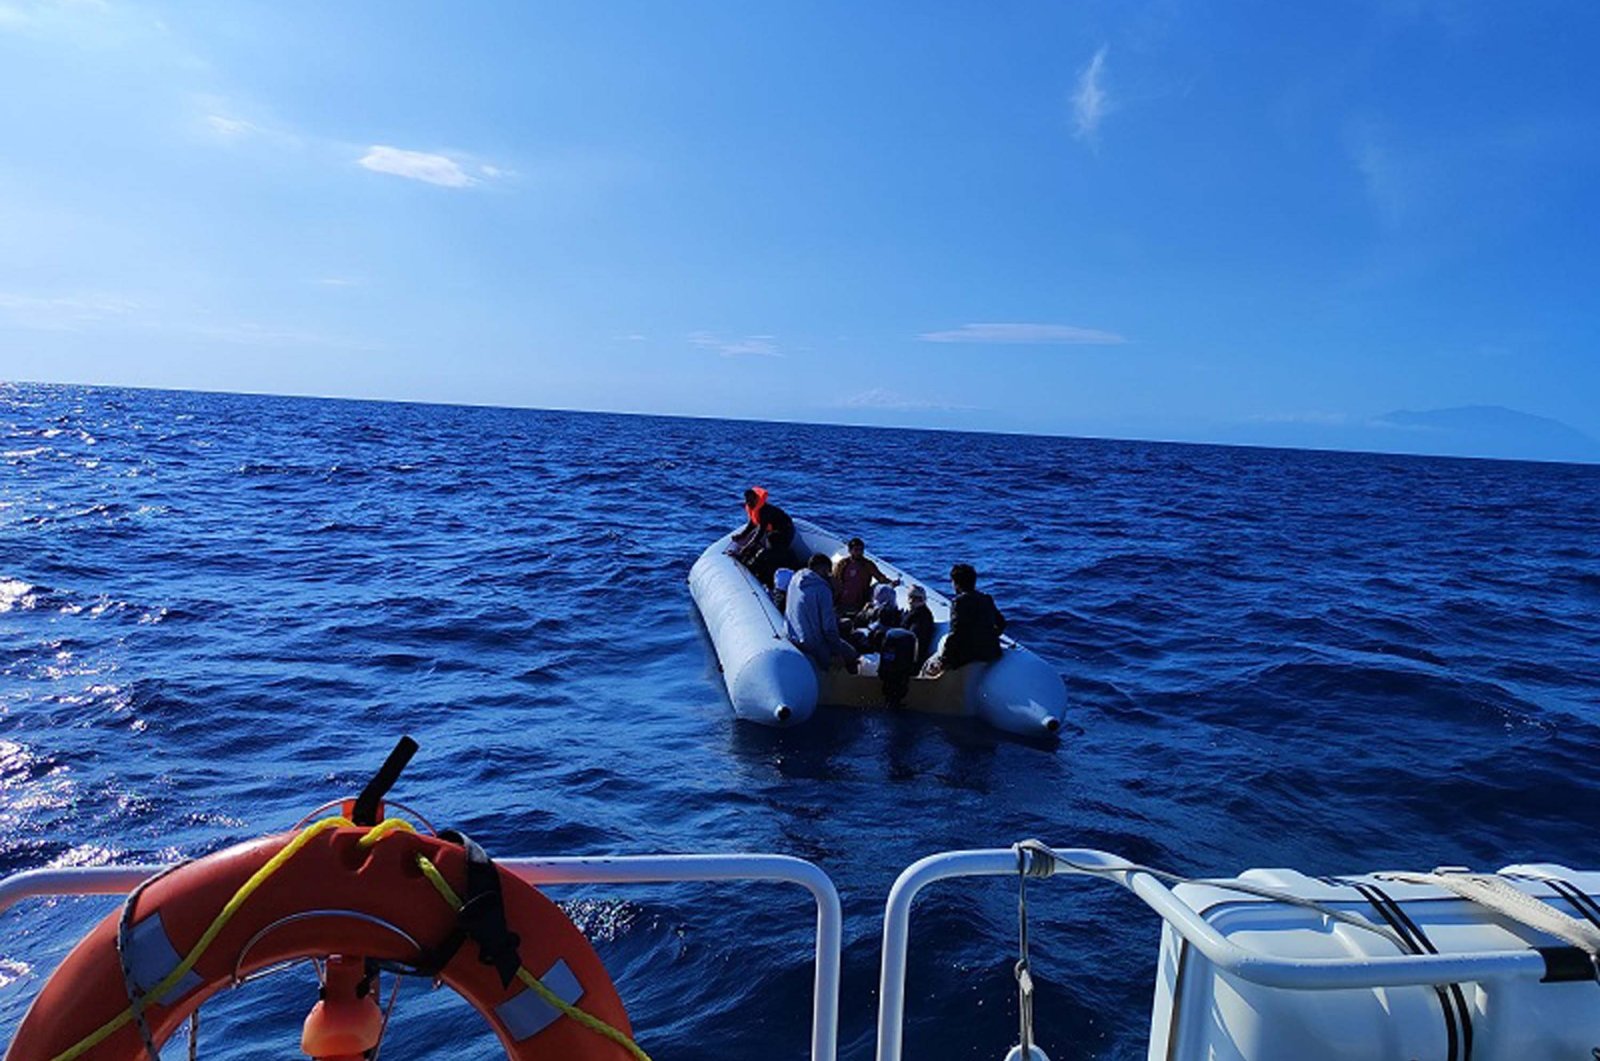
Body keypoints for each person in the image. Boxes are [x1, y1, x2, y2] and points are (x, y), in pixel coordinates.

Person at [785, 553, 859, 673]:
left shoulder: (796, 579)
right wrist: (836, 652)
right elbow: (828, 629)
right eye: (829, 572)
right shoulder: (822, 590)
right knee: (852, 654)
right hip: (813, 643)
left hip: (794, 634)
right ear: (824, 569)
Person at [926, 563, 1005, 675]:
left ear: (956, 584)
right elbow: (1001, 624)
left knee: (930, 664)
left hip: (970, 655)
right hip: (991, 651)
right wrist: (989, 635)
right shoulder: (986, 599)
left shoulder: (959, 602)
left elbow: (956, 632)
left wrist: (943, 660)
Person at [731, 486, 795, 587]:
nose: (749, 503)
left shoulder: (765, 512)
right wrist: (741, 535)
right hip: (773, 531)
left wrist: (746, 547)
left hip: (785, 531)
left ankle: (768, 568)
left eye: (751, 500)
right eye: (747, 501)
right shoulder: (754, 509)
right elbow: (752, 524)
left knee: (769, 543)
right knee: (764, 542)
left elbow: (760, 532)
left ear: (756, 499)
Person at [831, 537, 895, 615]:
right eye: (856, 550)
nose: (859, 553)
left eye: (861, 550)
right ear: (850, 551)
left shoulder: (868, 565)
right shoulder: (842, 564)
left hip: (860, 602)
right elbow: (834, 579)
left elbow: (880, 577)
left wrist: (891, 583)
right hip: (842, 602)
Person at [851, 582, 903, 652]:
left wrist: (865, 612)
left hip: (876, 641)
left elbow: (866, 623)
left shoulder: (882, 611)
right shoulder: (895, 611)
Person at [901, 583, 935, 667]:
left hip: (910, 660)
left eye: (914, 598)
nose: (910, 601)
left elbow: (913, 640)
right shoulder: (917, 613)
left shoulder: (920, 618)